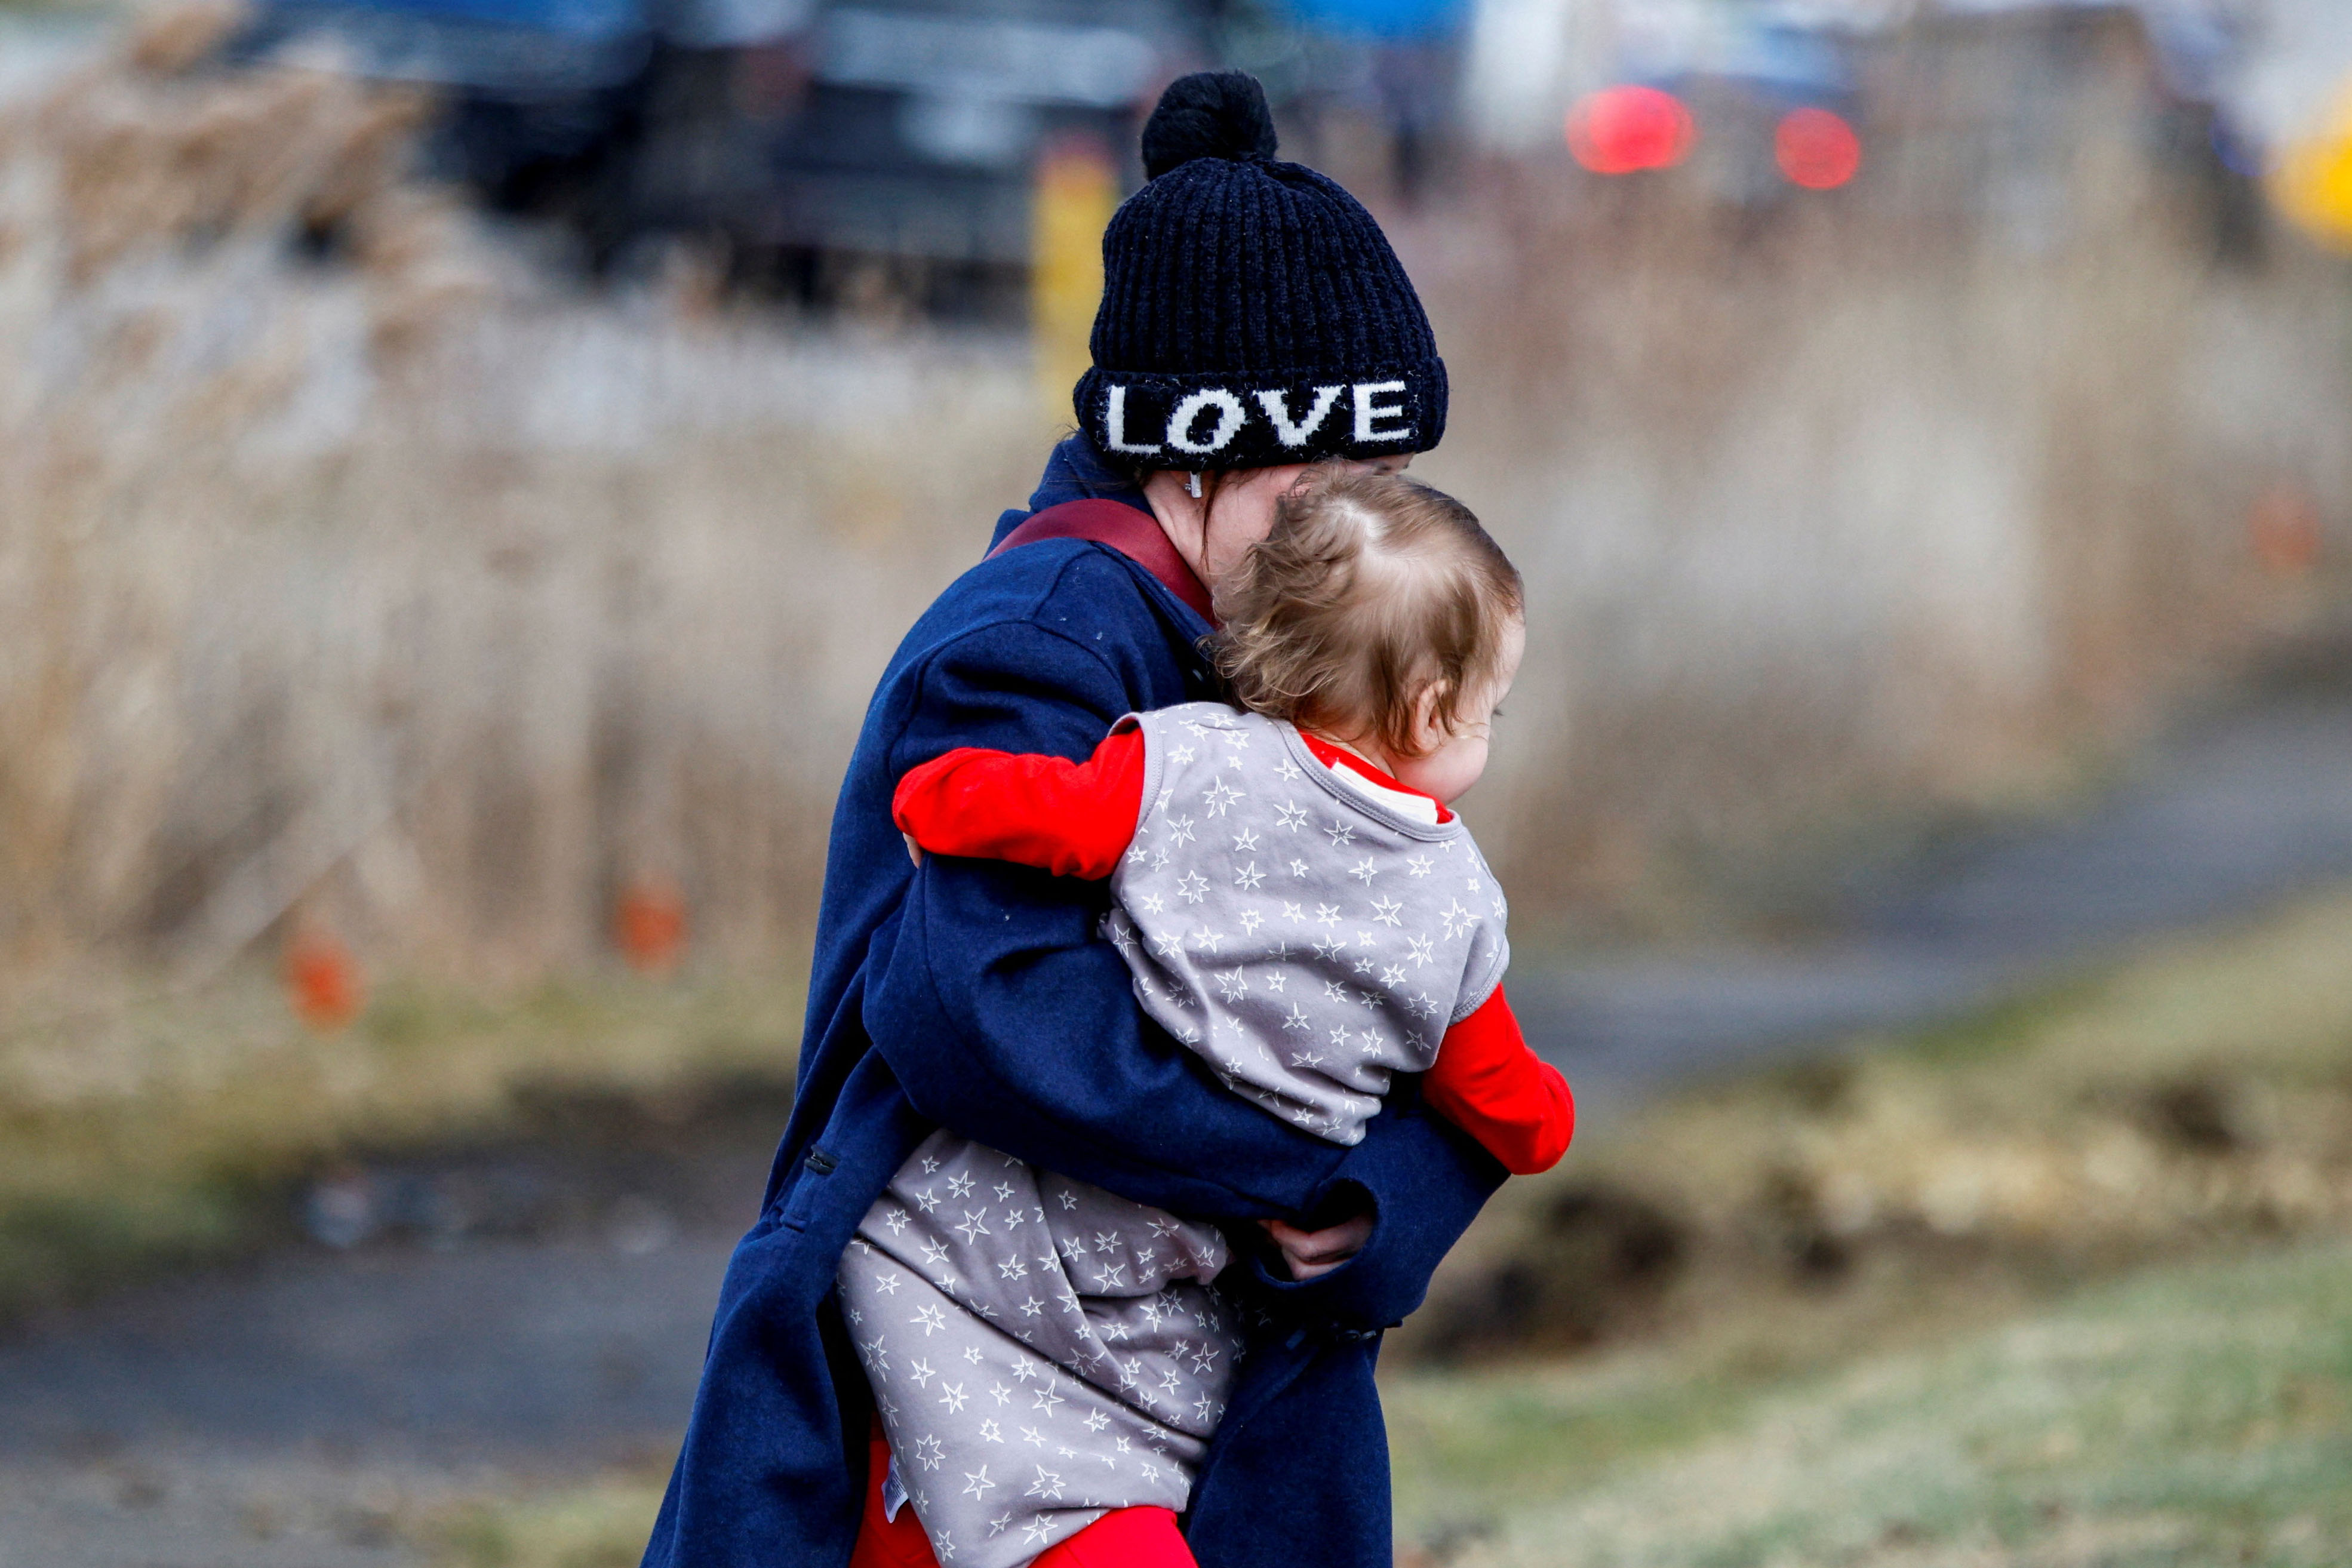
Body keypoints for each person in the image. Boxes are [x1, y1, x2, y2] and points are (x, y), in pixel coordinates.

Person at [641, 70, 1506, 1568]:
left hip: (1191, 1360)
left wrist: (1376, 1205)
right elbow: (973, 1005)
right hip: (966, 1361)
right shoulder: (1034, 641)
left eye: (1395, 482)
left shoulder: (1296, 633)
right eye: (1334, 484)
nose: (1372, 530)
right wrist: (1282, 1168)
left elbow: (1424, 980)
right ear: (1196, 455)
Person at [848, 469, 1575, 1566]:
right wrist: (1550, 1118)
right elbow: (1503, 1100)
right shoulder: (1458, 909)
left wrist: (930, 798)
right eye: (1491, 707)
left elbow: (1048, 812)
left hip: (988, 1241)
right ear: (1432, 710)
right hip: (1175, 1292)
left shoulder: (1185, 756)